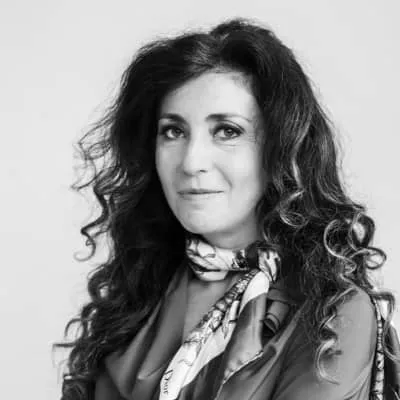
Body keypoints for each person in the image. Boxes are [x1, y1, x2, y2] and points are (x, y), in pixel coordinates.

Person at [56, 18, 398, 400]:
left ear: (281, 148)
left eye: (227, 131)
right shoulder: (142, 291)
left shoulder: (336, 316)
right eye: (173, 131)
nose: (191, 162)